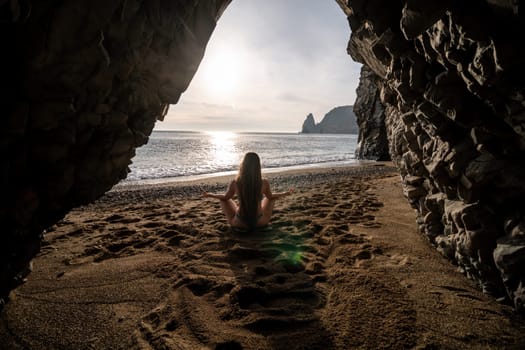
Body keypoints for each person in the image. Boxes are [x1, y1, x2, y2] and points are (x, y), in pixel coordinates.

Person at [202, 152, 293, 231]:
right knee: (270, 198)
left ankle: (239, 224)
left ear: (243, 165)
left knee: (224, 200)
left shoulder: (236, 183)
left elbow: (225, 197)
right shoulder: (264, 183)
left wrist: (210, 195)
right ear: (258, 166)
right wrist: (285, 193)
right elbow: (271, 197)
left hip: (239, 222)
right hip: (260, 222)